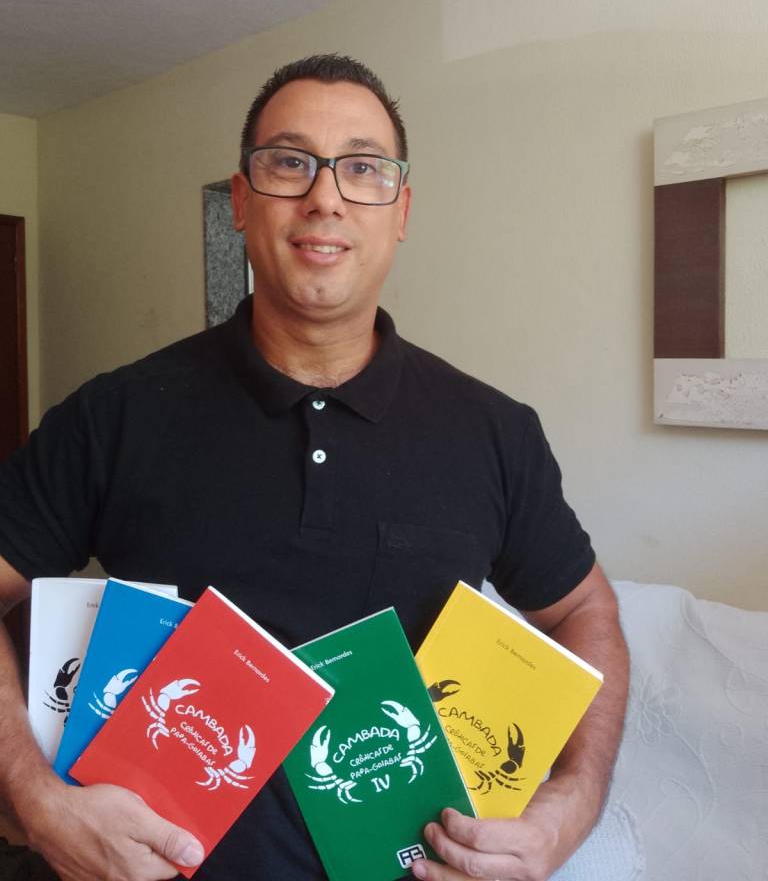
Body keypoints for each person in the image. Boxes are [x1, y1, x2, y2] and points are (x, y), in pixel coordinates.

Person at [0, 54, 628, 881]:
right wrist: (35, 798)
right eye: (290, 162)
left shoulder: (495, 432)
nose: (325, 196)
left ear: (401, 212)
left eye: (363, 169)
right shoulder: (115, 414)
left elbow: (583, 609)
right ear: (240, 201)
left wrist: (572, 807)